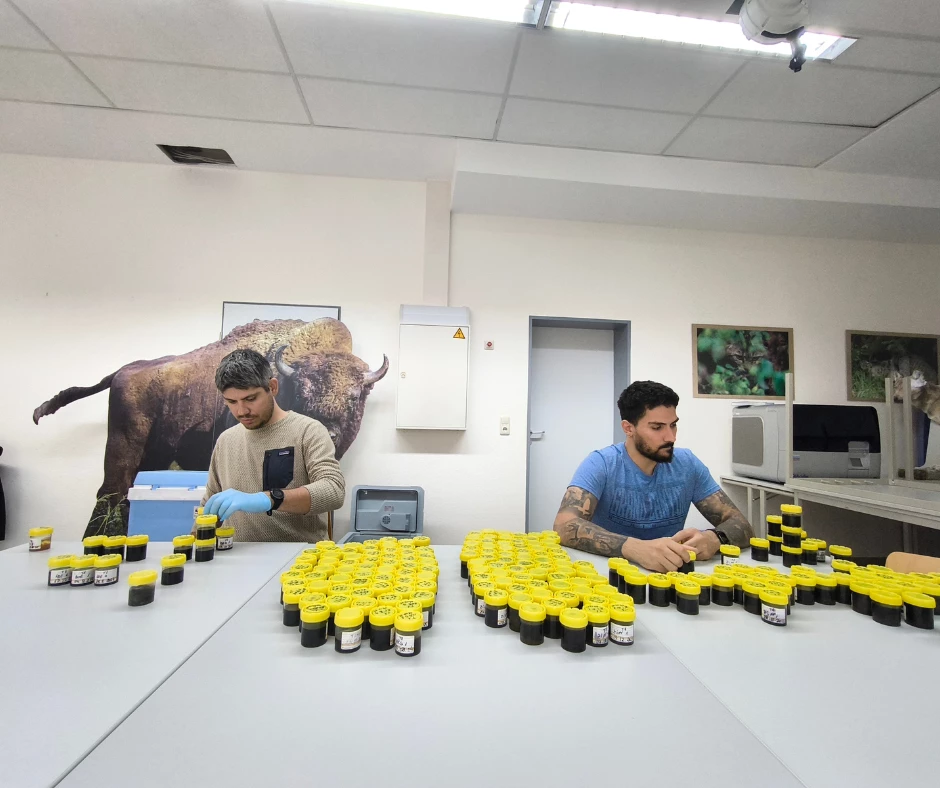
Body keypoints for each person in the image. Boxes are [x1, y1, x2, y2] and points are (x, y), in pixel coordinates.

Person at [553, 380, 752, 572]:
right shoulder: (601, 463)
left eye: (673, 425)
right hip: (607, 576)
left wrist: (715, 538)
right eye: (657, 427)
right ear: (628, 428)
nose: (671, 437)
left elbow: (742, 525)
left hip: (670, 577)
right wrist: (635, 548)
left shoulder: (688, 464)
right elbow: (564, 525)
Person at [201, 349, 345, 541]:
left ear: (273, 387)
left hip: (300, 557)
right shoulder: (225, 440)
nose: (241, 411)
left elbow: (333, 490)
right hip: (237, 557)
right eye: (232, 401)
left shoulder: (308, 431)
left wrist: (269, 499)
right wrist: (194, 542)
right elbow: (209, 503)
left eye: (250, 399)